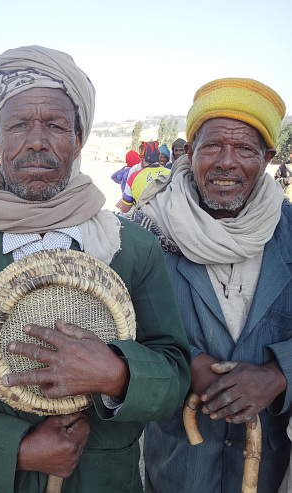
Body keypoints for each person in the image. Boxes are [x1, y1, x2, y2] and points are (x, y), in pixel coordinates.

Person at [0, 45, 191, 493]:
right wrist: (18, 448)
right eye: (18, 125)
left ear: (79, 138)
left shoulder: (132, 248)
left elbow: (175, 375)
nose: (36, 141)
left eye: (55, 125)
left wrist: (119, 374)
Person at [132, 78, 292, 493]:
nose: (226, 162)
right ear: (188, 153)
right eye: (212, 147)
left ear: (267, 158)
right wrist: (184, 365)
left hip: (265, 466)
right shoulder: (144, 233)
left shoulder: (290, 232)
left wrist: (279, 375)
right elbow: (118, 329)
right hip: (175, 467)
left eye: (244, 149)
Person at [121, 141, 170, 214]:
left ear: (141, 158)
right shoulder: (170, 173)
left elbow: (125, 208)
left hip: (144, 221)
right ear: (158, 156)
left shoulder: (134, 177)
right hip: (166, 219)